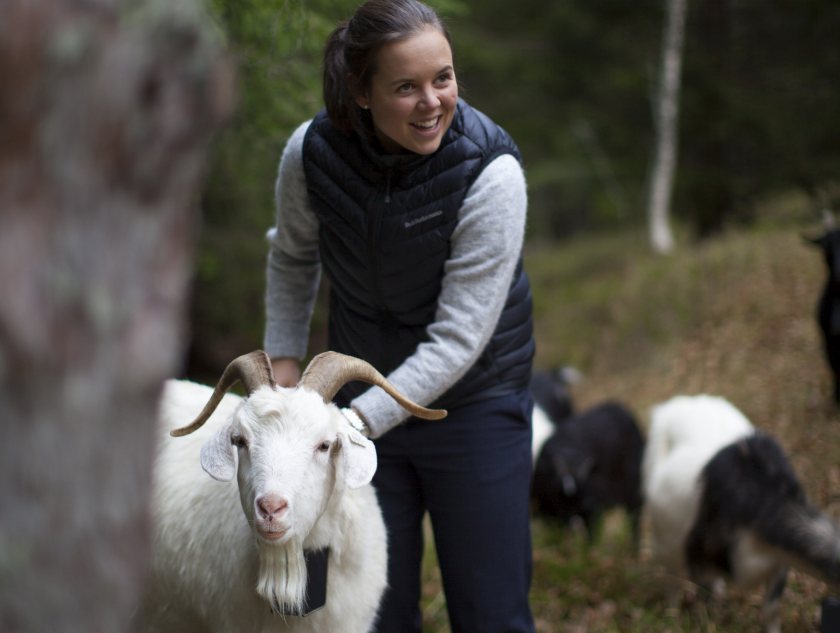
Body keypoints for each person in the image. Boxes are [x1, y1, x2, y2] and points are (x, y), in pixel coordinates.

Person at [263, 0, 536, 631]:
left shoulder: (490, 172)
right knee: (365, 612)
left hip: (473, 404)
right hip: (355, 398)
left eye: (443, 78)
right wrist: (283, 363)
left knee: (491, 612)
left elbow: (460, 335)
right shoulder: (311, 153)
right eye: (406, 86)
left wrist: (352, 425)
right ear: (360, 92)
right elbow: (293, 256)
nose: (432, 102)